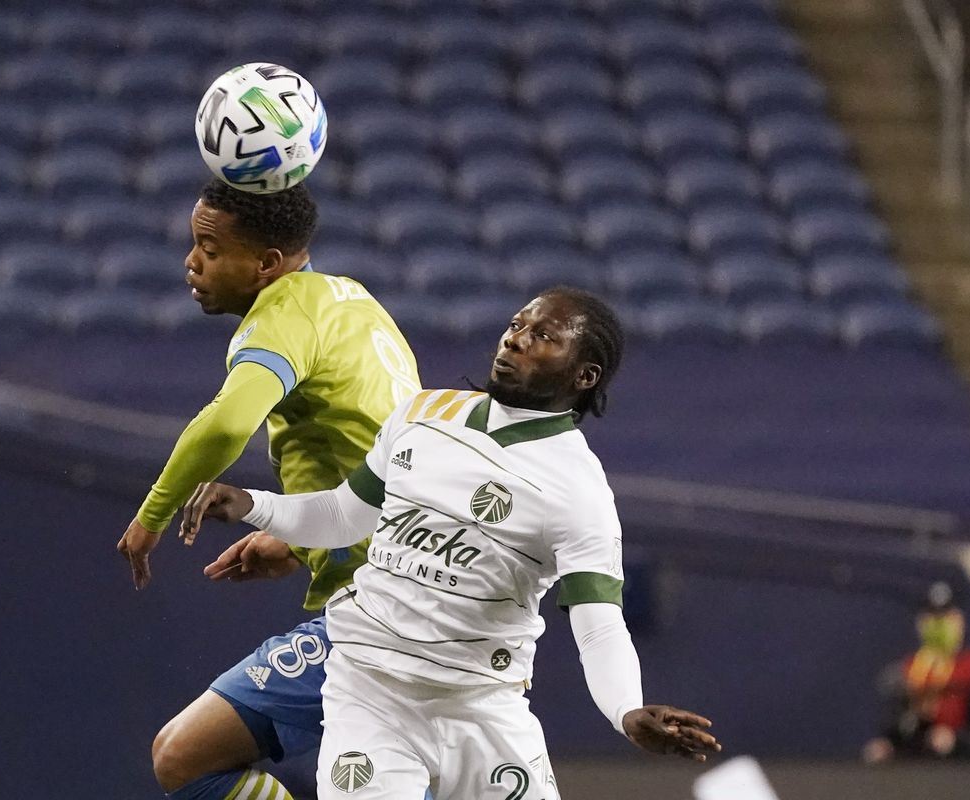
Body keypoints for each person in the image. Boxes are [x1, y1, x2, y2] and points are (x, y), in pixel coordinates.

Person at [182, 287, 722, 798]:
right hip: (368, 690)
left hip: (481, 706)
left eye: (543, 336)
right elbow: (345, 515)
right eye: (517, 324)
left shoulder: (578, 489)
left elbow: (599, 623)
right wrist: (255, 505)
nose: (516, 338)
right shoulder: (424, 413)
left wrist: (627, 710)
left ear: (585, 374)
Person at [118, 178, 420, 799]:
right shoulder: (352, 302)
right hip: (426, 596)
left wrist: (152, 516)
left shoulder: (285, 314)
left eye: (209, 246)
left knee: (183, 760)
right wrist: (298, 545)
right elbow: (382, 455)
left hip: (386, 613)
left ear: (266, 265)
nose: (191, 261)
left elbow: (229, 421)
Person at [863, 582, 970, 763]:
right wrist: (888, 744)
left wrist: (956, 740)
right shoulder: (910, 669)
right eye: (933, 617)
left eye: (945, 617)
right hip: (916, 762)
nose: (939, 625)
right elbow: (899, 724)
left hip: (961, 767)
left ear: (959, 620)